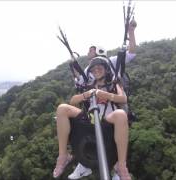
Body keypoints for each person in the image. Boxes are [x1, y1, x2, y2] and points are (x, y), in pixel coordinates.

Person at [68, 19, 137, 179]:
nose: (88, 52)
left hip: (113, 99)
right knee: (88, 130)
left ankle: (118, 168)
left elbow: (132, 53)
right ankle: (84, 163)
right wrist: (74, 68)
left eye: (91, 50)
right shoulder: (87, 70)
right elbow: (80, 83)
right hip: (95, 105)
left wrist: (131, 32)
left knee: (113, 134)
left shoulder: (110, 62)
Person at [53, 58, 132, 180]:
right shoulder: (89, 86)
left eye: (99, 68)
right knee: (62, 108)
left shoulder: (113, 84)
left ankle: (121, 165)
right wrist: (87, 94)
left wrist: (106, 95)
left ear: (105, 69)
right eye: (94, 69)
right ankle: (63, 156)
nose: (96, 71)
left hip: (108, 119)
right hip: (91, 119)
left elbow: (123, 99)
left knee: (121, 114)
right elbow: (73, 101)